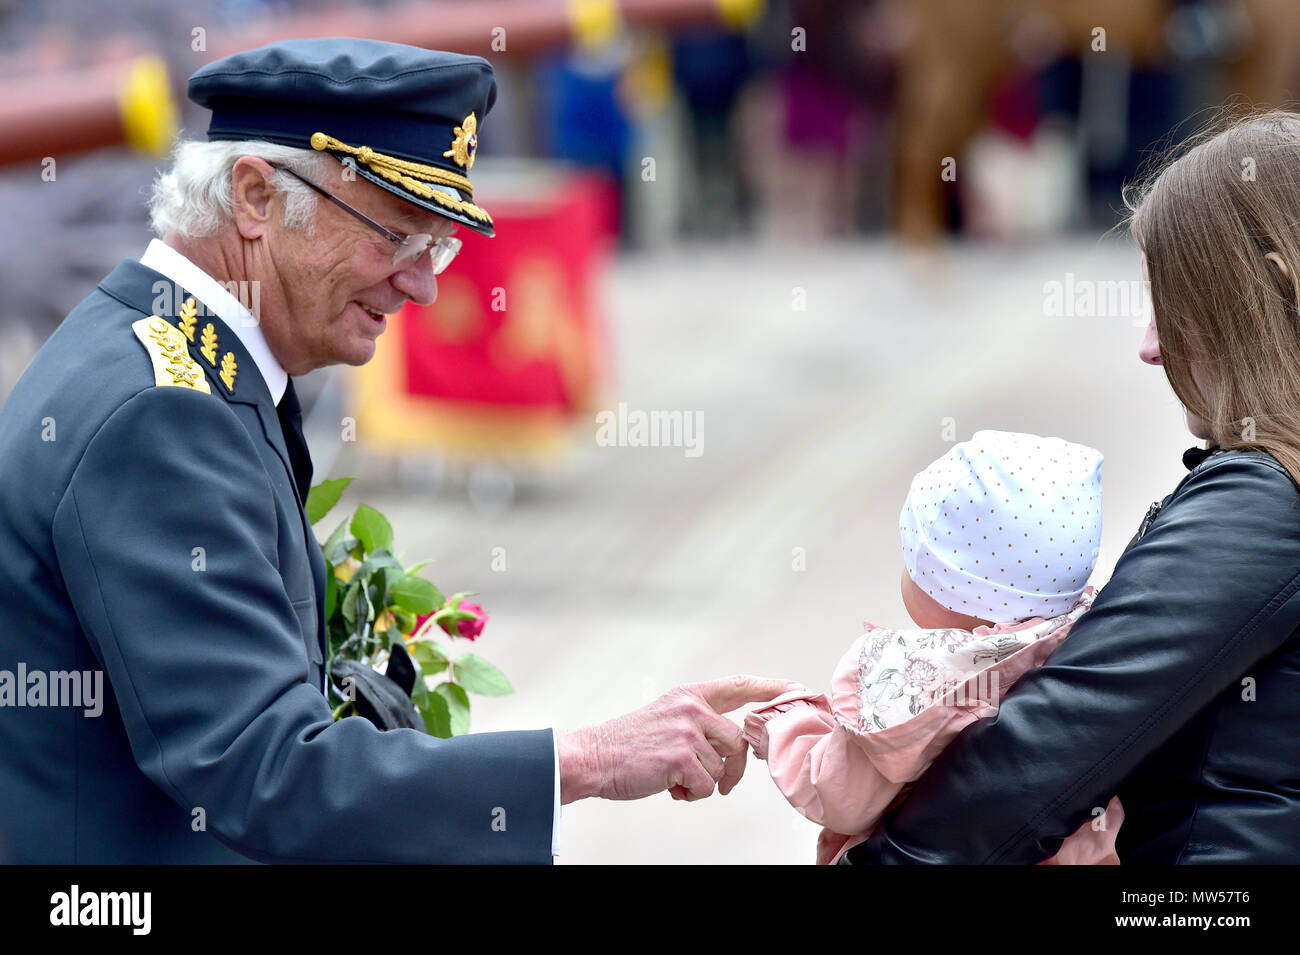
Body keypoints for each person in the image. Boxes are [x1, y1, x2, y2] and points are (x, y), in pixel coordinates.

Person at [0, 37, 788, 864]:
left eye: (437, 248)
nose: (422, 284)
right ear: (256, 195)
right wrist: (588, 758)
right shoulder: (162, 411)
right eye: (396, 236)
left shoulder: (167, 350)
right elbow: (267, 770)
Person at [842, 108, 1300, 864]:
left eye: (1179, 307)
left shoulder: (1262, 504)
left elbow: (1042, 753)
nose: (1149, 347)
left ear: (1271, 289)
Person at [744, 431, 1122, 864]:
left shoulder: (922, 683)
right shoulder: (1088, 639)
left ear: (946, 583)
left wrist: (785, 722)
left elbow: (838, 797)